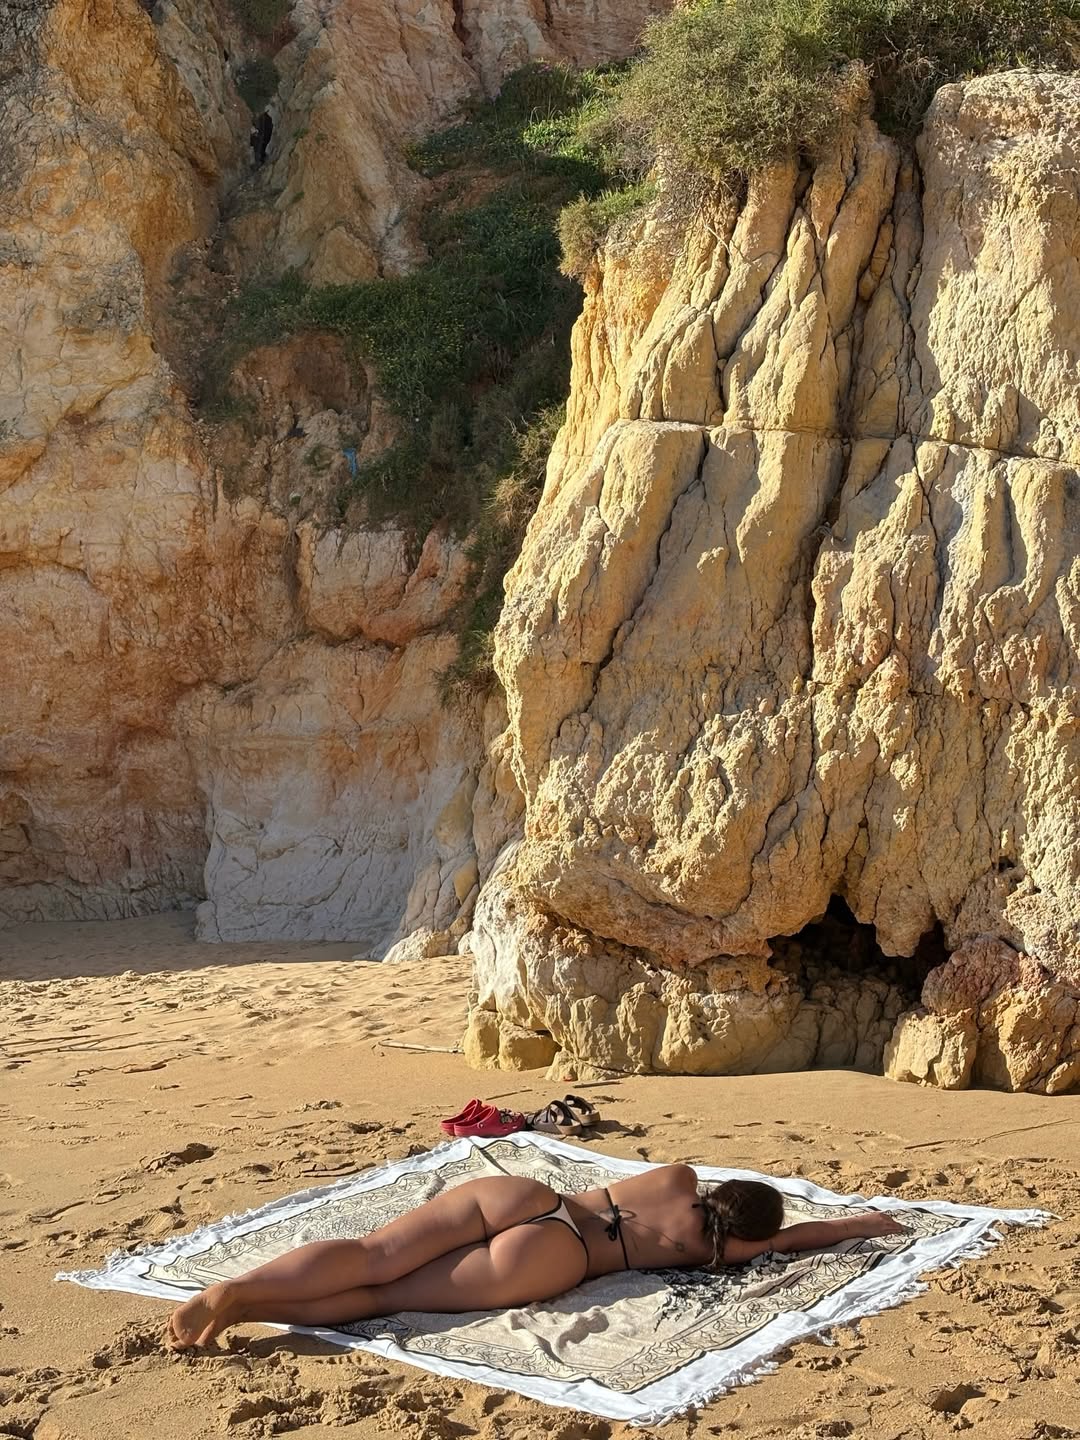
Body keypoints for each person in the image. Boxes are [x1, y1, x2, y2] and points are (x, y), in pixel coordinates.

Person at [165, 1163, 904, 1350]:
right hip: (560, 1256)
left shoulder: (678, 1178)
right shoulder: (729, 1247)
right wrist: (865, 1222)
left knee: (373, 1253)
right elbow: (801, 1237)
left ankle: (239, 1285)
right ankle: (249, 1310)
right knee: (387, 1298)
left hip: (531, 1198)